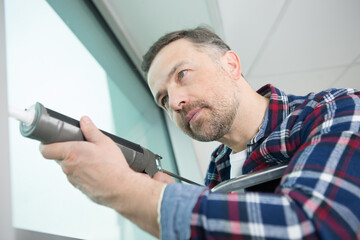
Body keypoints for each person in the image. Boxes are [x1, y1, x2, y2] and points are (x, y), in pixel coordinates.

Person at [40, 27, 360, 239]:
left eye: (183, 74)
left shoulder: (336, 108)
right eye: (163, 99)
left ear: (232, 65)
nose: (175, 102)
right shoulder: (217, 171)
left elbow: (313, 226)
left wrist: (123, 190)